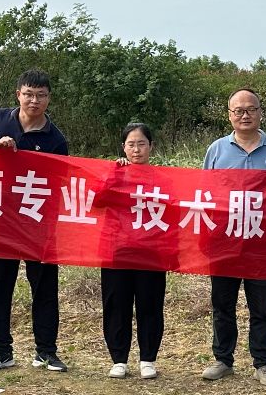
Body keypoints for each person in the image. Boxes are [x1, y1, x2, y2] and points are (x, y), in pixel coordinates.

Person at [0, 69, 69, 374]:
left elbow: (61, 182)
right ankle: (1, 351)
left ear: (49, 99)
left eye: (41, 95)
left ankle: (46, 351)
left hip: (37, 222)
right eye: (29, 94)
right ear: (18, 95)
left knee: (44, 288)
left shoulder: (55, 138)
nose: (34, 101)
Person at [201, 88, 266, 386]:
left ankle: (263, 363)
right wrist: (205, 234)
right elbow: (205, 194)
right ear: (229, 115)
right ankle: (223, 360)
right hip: (223, 240)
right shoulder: (217, 150)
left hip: (261, 241)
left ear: (260, 112)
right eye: (238, 110)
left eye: (251, 109)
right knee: (222, 305)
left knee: (261, 307)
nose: (245, 115)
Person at [100, 123, 168, 379]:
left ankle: (148, 359)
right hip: (117, 251)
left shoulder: (162, 177)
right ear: (123, 147)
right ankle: (119, 359)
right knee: (116, 305)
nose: (136, 149)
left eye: (141, 144)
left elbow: (173, 211)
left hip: (151, 252)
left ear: (151, 146)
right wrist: (113, 174)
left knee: (150, 304)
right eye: (131, 144)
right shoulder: (115, 173)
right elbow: (98, 200)